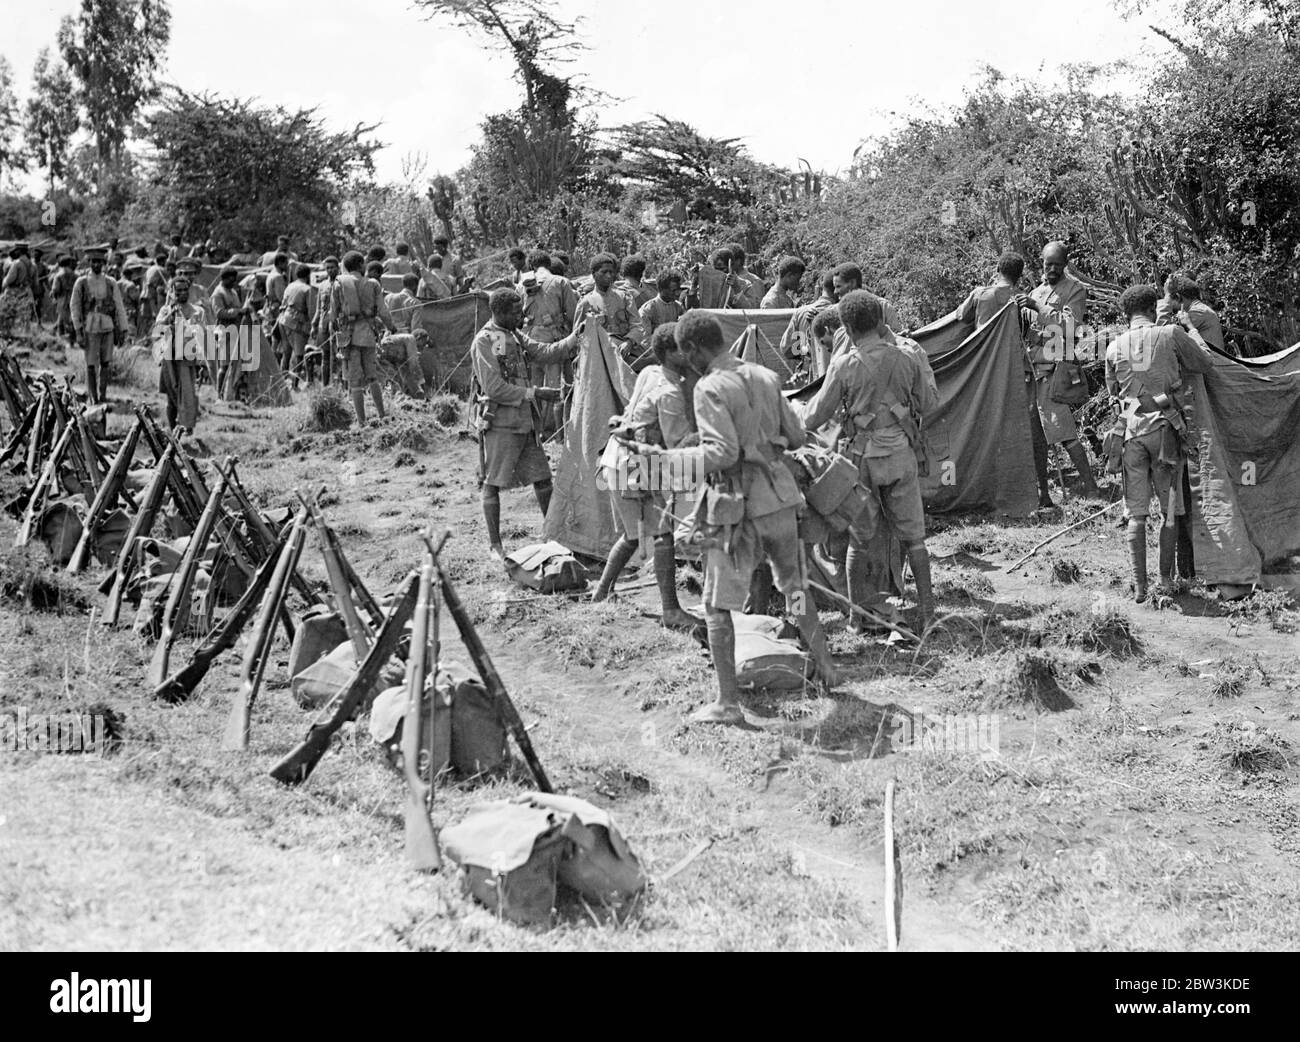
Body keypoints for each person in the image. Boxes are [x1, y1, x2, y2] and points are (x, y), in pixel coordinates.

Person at [632, 311, 837, 724]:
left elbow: (721, 453)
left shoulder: (709, 387)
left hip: (737, 508)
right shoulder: (764, 376)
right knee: (796, 588)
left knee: (716, 605)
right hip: (779, 498)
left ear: (691, 349)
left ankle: (728, 704)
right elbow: (798, 437)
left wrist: (667, 459)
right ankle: (828, 668)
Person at [799, 291, 939, 628]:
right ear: (880, 321)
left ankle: (855, 618)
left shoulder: (843, 365)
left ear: (845, 327)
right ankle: (928, 612)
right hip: (901, 456)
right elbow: (931, 403)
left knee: (859, 540)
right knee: (914, 539)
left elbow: (814, 417)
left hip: (862, 460)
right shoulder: (908, 356)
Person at [1105, 284, 1215, 601]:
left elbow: (1116, 397)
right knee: (1168, 511)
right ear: (1154, 310)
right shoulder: (1170, 334)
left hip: (1132, 435)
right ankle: (1165, 582)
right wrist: (1191, 329)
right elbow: (1205, 363)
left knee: (1135, 514)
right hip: (1167, 433)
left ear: (1126, 315)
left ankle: (1140, 588)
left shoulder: (1113, 348)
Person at [592, 322, 701, 630]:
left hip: (619, 458)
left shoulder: (649, 372)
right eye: (684, 347)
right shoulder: (668, 391)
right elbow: (679, 445)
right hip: (634, 464)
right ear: (669, 353)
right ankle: (670, 610)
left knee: (632, 535)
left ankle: (601, 592)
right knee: (663, 535)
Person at [471, 288, 583, 560]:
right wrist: (535, 393)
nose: (520, 315)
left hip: (524, 422)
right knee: (493, 482)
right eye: (514, 311)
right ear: (498, 312)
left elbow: (541, 352)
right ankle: (495, 545)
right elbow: (495, 386)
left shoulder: (508, 335)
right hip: (501, 423)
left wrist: (572, 338)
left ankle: (552, 536)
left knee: (543, 478)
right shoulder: (487, 340)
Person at [1025, 241, 1100, 497]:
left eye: (1058, 265)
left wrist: (1038, 310)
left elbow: (1070, 327)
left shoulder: (1074, 290)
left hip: (1056, 369)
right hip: (1033, 369)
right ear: (1041, 263)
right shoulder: (1035, 293)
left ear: (1065, 265)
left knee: (1064, 431)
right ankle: (1044, 494)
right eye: (1048, 264)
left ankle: (1091, 489)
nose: (1052, 269)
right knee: (1037, 436)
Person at [331, 251, 391, 424]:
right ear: (359, 265)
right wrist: (391, 327)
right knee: (373, 377)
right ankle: (382, 416)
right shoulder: (373, 284)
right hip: (368, 336)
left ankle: (362, 422)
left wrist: (336, 332)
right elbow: (384, 311)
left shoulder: (339, 283)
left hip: (348, 339)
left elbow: (333, 314)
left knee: (355, 382)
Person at [69, 246, 129, 404]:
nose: (97, 265)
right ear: (89, 262)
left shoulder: (111, 283)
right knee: (90, 363)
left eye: (100, 262)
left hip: (108, 327)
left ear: (104, 264)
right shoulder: (81, 282)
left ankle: (102, 395)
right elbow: (74, 307)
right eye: (94, 262)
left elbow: (119, 306)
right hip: (90, 327)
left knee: (106, 362)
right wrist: (78, 330)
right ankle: (92, 396)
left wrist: (123, 329)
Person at [152, 274, 205, 433]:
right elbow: (158, 328)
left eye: (185, 290)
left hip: (187, 358)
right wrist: (171, 313)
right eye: (178, 291)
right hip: (169, 358)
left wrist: (202, 361)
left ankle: (187, 428)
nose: (182, 293)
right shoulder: (166, 310)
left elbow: (201, 335)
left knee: (188, 394)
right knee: (171, 395)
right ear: (172, 292)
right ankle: (173, 429)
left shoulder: (197, 311)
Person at [573, 253, 644, 365]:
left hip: (626, 354)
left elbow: (637, 325)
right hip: (598, 358)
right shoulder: (585, 303)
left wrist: (629, 342)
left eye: (611, 272)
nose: (609, 276)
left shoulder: (624, 297)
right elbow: (578, 336)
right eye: (604, 272)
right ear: (594, 274)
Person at [782, 269, 838, 374]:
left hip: (809, 375)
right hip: (835, 374)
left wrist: (806, 351)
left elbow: (787, 350)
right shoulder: (841, 313)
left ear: (821, 287)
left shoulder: (801, 313)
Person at [278, 264, 314, 389]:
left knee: (286, 353)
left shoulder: (290, 286)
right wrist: (312, 325)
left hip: (283, 319)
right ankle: (294, 385)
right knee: (299, 354)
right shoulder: (307, 289)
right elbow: (310, 311)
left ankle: (282, 382)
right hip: (296, 323)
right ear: (308, 275)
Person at [1173, 277, 1227, 354]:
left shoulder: (1197, 311)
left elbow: (1171, 336)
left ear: (1178, 297)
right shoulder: (1200, 309)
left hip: (1212, 363)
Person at [311, 255, 341, 386]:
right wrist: (314, 325)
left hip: (339, 325)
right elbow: (318, 308)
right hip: (323, 325)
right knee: (325, 356)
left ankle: (339, 386)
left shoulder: (342, 283)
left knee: (338, 356)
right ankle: (325, 386)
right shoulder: (322, 285)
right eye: (327, 268)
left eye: (332, 268)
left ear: (338, 268)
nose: (330, 270)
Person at [264, 252, 290, 366]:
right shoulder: (278, 277)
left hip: (271, 308)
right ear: (280, 263)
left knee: (275, 339)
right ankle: (276, 367)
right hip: (277, 309)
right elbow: (282, 296)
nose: (287, 266)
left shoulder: (271, 274)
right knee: (280, 340)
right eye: (286, 263)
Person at [50, 255, 77, 348]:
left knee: (63, 320)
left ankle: (65, 340)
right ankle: (71, 340)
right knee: (71, 320)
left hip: (63, 299)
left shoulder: (59, 275)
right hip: (73, 298)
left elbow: (55, 289)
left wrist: (53, 296)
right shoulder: (75, 274)